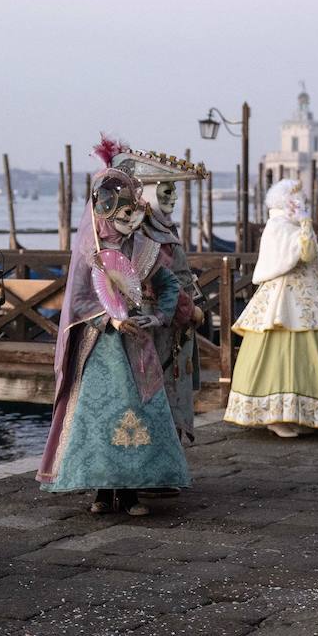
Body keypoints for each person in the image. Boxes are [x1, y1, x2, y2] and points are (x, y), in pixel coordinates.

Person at [37, 145, 188, 516]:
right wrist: (109, 318)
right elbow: (79, 300)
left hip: (138, 344)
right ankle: (103, 492)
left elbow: (169, 286)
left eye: (131, 211)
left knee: (138, 411)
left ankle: (133, 492)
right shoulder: (89, 250)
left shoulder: (143, 246)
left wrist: (160, 317)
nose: (128, 219)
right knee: (99, 417)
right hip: (99, 349)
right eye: (122, 212)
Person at [224, 179, 318, 436]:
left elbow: (314, 264)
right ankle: (275, 417)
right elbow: (306, 253)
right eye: (298, 201)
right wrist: (305, 223)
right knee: (280, 357)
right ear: (287, 202)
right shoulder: (278, 227)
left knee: (306, 359)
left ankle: (301, 415)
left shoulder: (293, 226)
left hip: (308, 299)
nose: (303, 205)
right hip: (283, 301)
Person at [111, 147, 208, 445]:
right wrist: (188, 309)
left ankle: (167, 462)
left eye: (175, 192)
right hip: (156, 325)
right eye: (167, 191)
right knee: (159, 391)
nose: (174, 198)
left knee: (172, 389)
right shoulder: (144, 230)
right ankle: (157, 464)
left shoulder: (160, 226)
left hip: (171, 324)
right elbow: (161, 278)